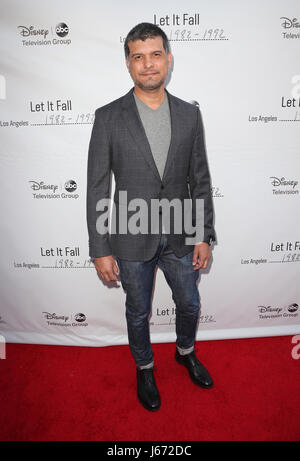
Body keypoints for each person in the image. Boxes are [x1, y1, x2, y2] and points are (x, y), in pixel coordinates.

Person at [86, 22, 216, 411]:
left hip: (181, 232)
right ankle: (144, 366)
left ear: (169, 59)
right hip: (129, 236)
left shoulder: (190, 115)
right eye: (138, 57)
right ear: (128, 64)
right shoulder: (108, 117)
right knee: (137, 310)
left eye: (155, 54)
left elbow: (200, 178)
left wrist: (204, 234)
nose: (147, 64)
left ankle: (185, 350)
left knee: (189, 303)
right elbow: (97, 187)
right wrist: (100, 248)